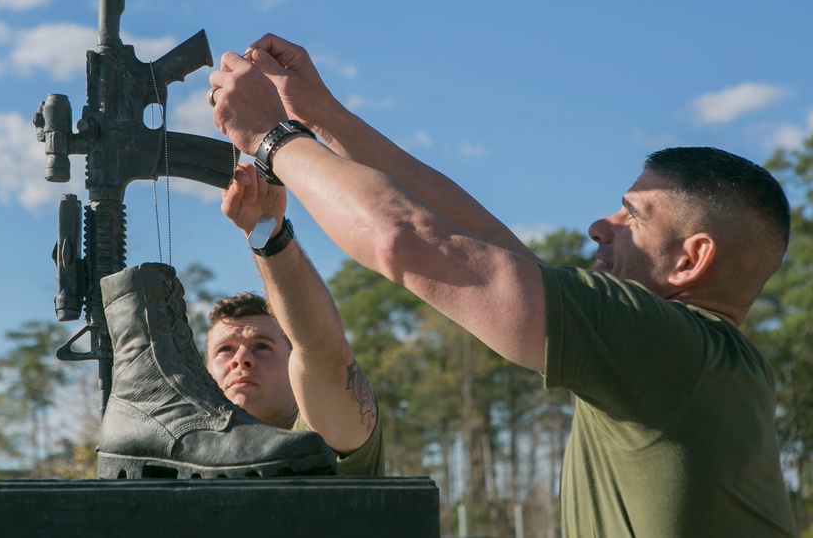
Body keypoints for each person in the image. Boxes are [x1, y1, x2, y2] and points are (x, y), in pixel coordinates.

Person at [208, 34, 797, 536]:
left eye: (632, 215)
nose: (599, 226)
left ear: (690, 261)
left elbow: (408, 241)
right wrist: (323, 119)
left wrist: (271, 137)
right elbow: (475, 239)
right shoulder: (685, 359)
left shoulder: (669, 347)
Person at [204, 162, 384, 476]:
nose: (241, 360)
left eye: (262, 347)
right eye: (225, 350)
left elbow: (323, 352)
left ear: (295, 366)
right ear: (205, 373)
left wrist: (267, 234)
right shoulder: (183, 460)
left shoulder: (321, 440)